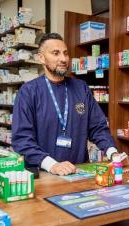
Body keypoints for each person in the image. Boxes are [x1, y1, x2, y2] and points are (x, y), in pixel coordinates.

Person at [12, 33, 120, 176]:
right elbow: (22, 140)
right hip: (44, 174)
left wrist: (113, 153)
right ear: (41, 58)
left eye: (65, 53)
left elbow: (98, 127)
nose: (63, 59)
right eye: (55, 53)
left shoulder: (81, 88)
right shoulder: (28, 92)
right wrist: (52, 165)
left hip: (79, 172)